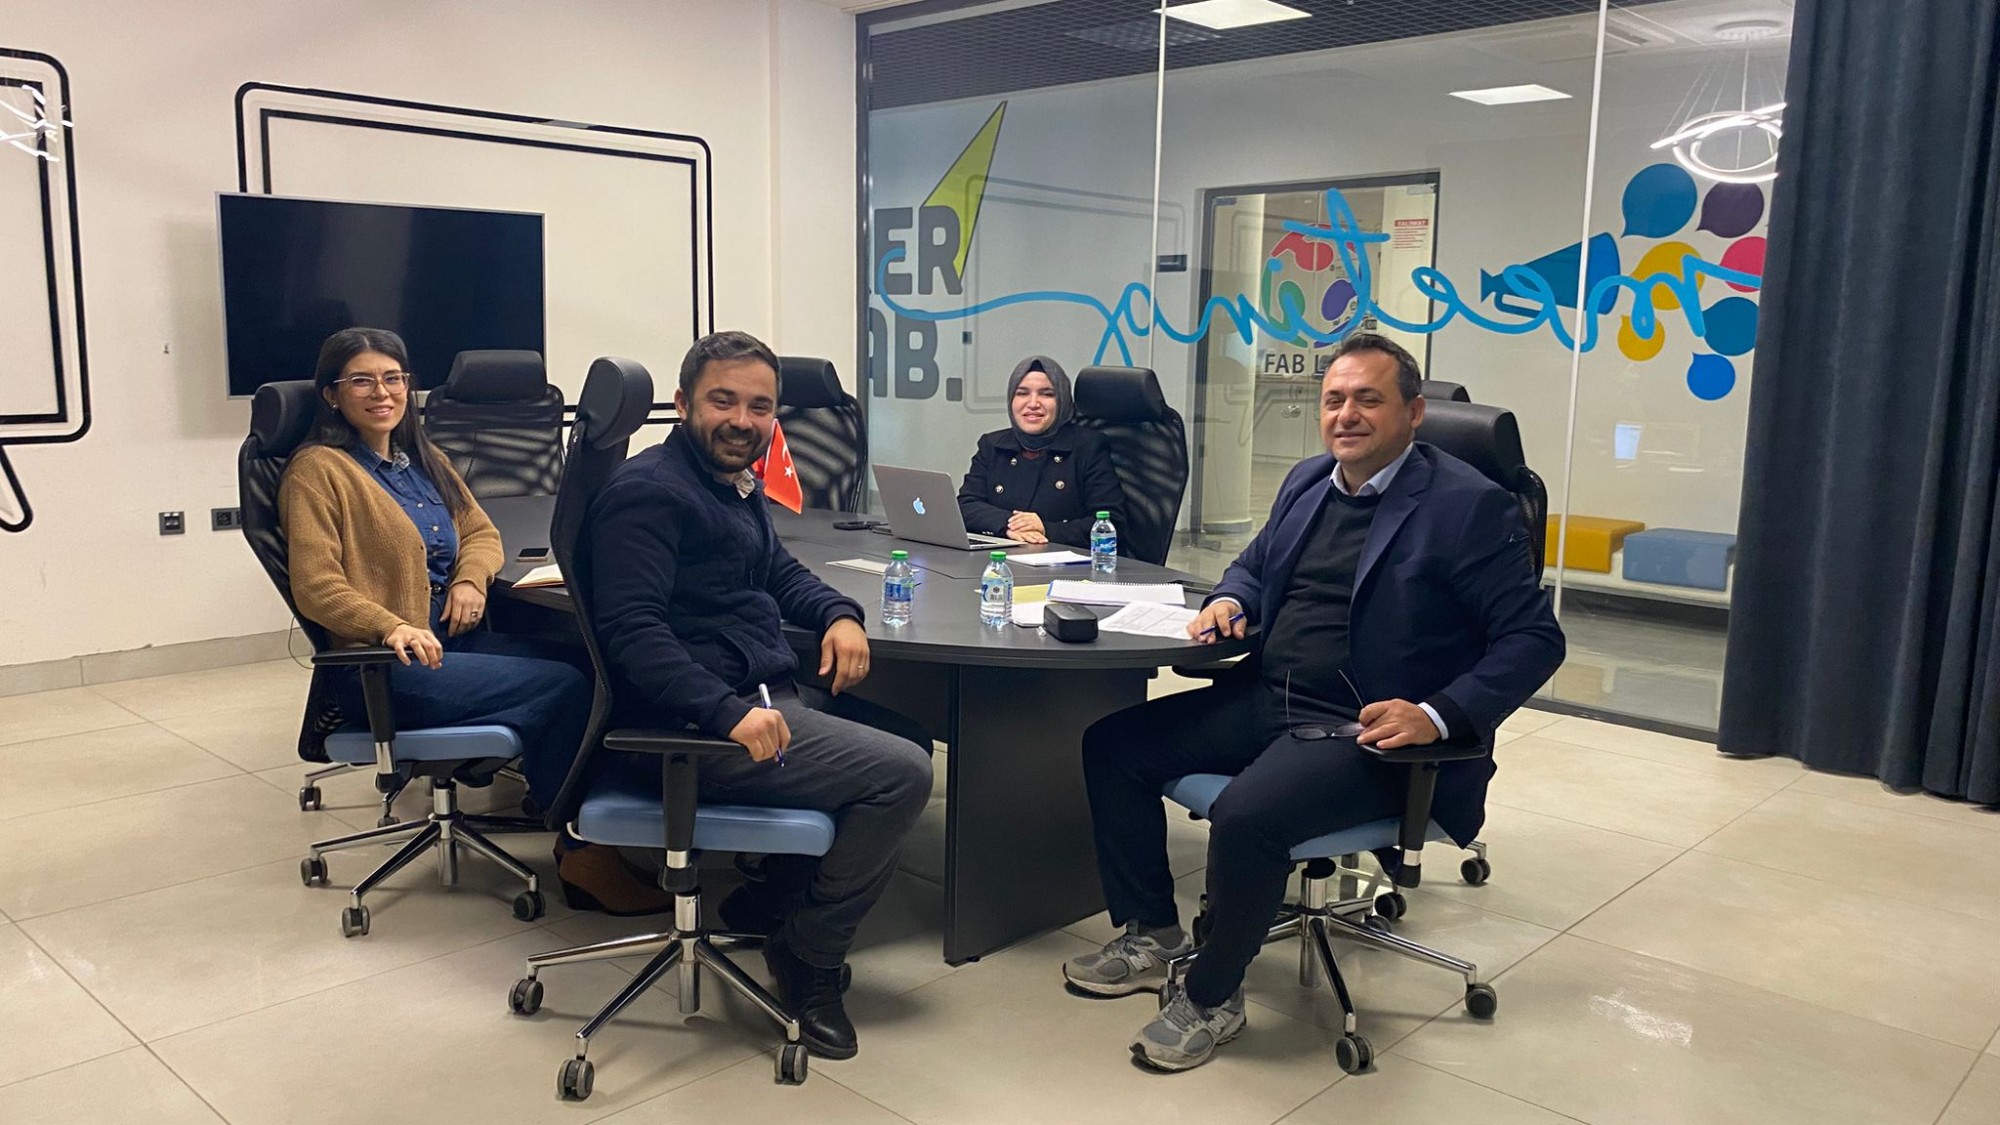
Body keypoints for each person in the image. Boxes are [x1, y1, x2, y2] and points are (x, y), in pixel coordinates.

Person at [1062, 333, 1565, 1072]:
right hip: (1272, 696)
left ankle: (1211, 996)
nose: (1346, 415)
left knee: (1248, 815)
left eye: (1368, 399)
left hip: (1364, 730)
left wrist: (1435, 714)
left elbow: (1534, 639)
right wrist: (1234, 597)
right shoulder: (1308, 480)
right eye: (1334, 400)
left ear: (1413, 413)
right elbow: (1254, 564)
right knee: (1112, 746)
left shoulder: (1469, 507)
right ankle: (1153, 931)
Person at [582, 329, 933, 1060]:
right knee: (903, 772)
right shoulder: (650, 492)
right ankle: (809, 952)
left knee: (908, 732)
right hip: (690, 726)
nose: (743, 420)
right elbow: (633, 633)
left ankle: (771, 895)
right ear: (682, 404)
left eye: (760, 406)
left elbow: (776, 571)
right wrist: (726, 712)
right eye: (724, 401)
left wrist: (839, 614)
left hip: (754, 691)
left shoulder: (726, 481)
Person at [280, 328, 659, 910]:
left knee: (594, 663)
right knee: (563, 688)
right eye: (361, 381)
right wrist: (391, 626)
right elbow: (317, 586)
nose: (382, 392)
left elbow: (480, 531)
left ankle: (602, 807)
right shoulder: (317, 471)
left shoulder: (420, 459)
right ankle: (583, 851)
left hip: (453, 639)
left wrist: (468, 580)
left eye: (393, 378)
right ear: (332, 395)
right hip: (387, 663)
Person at [956, 355, 1127, 548]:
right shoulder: (993, 445)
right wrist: (1009, 524)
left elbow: (1111, 522)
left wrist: (1046, 529)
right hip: (1002, 557)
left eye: (1046, 394)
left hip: (1065, 561)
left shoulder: (1088, 446)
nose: (1033, 403)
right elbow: (965, 506)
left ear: (1062, 401)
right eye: (1022, 393)